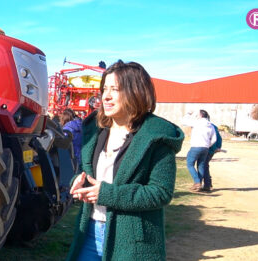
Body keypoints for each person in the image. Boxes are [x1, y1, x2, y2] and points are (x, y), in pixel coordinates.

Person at [66, 60, 184, 261]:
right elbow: (92, 175)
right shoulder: (94, 130)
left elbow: (161, 192)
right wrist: (80, 182)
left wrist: (107, 194)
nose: (106, 96)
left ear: (135, 92)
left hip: (132, 240)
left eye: (115, 89)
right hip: (90, 231)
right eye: (104, 89)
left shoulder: (156, 136)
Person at [182, 110, 216, 192]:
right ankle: (199, 185)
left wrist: (188, 113)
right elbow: (214, 139)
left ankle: (197, 182)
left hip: (196, 146)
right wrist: (208, 145)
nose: (196, 116)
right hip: (205, 148)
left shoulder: (197, 122)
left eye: (197, 115)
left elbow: (184, 121)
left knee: (190, 164)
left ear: (200, 116)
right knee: (201, 165)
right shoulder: (211, 125)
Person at [202, 116, 222, 192]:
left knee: (204, 165)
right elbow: (219, 138)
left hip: (207, 149)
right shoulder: (213, 126)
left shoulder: (207, 126)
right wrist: (218, 147)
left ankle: (207, 185)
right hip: (212, 150)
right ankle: (208, 183)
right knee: (205, 165)